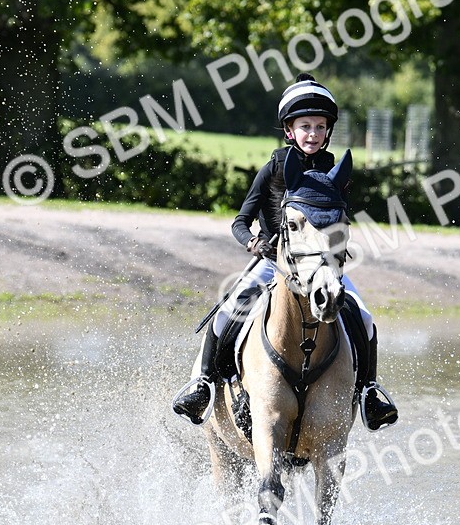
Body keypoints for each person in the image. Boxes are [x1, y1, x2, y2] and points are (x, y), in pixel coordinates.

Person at [171, 73, 399, 431]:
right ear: (290, 130)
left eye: (320, 127)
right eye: (305, 126)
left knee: (364, 317)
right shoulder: (274, 168)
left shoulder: (335, 172)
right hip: (273, 262)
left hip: (321, 265)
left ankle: (369, 391)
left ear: (328, 131)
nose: (313, 134)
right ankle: (203, 384)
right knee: (227, 313)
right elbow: (240, 221)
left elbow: (339, 222)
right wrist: (253, 242)